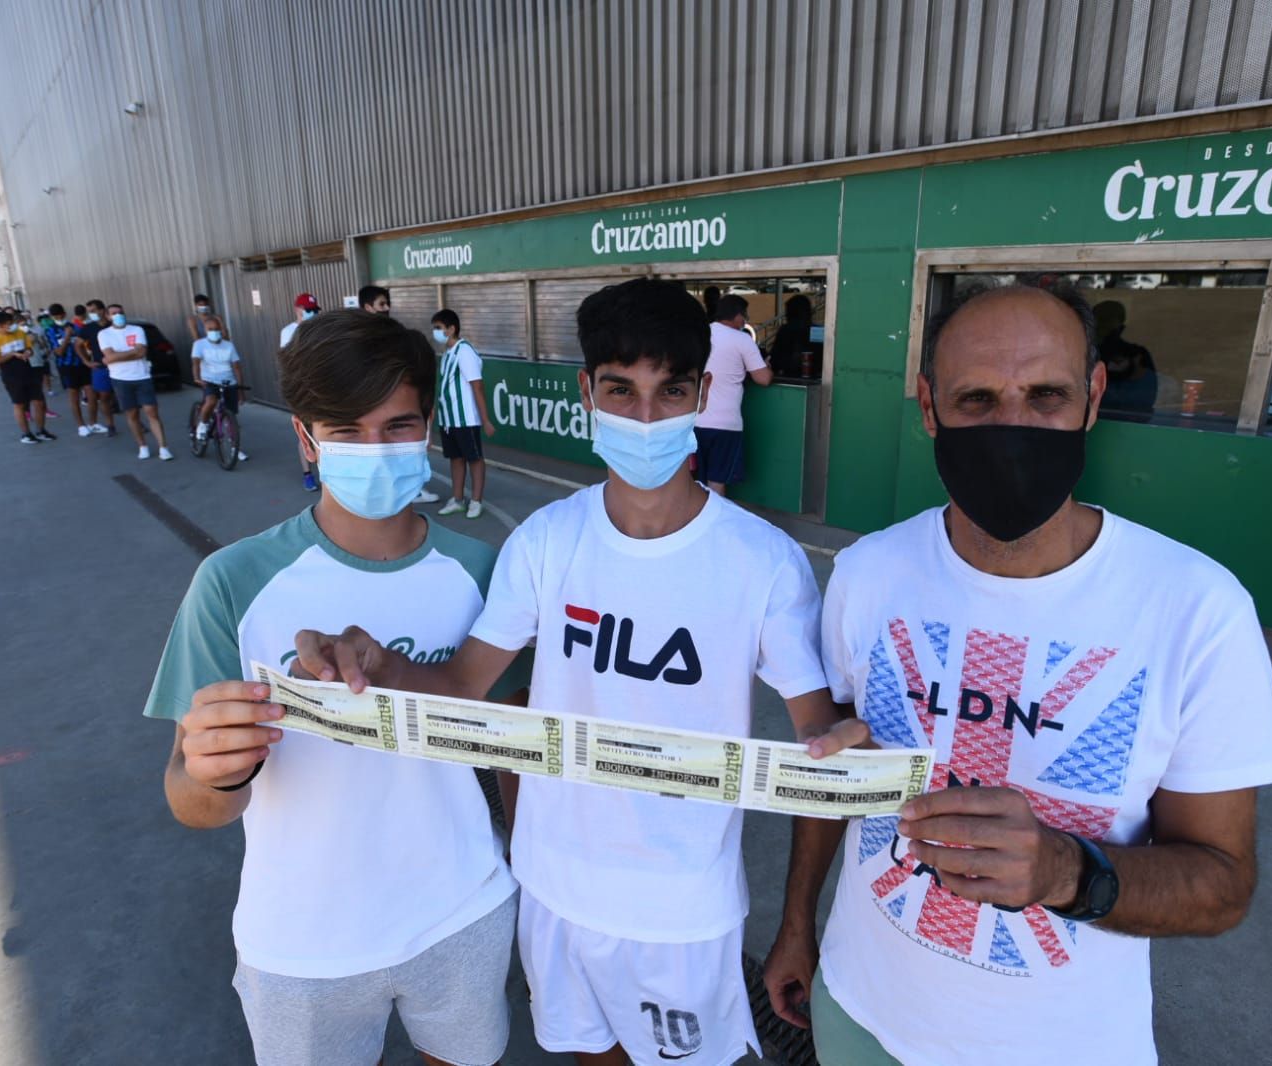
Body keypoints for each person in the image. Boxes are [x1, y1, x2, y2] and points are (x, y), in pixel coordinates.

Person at [293, 277, 870, 1066]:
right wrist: (379, 662)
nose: (643, 416)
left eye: (669, 391)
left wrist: (800, 913)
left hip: (680, 909)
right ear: (586, 393)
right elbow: (465, 685)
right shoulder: (544, 542)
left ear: (702, 392)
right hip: (552, 888)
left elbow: (815, 742)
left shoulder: (761, 561)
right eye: (618, 390)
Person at [761, 281, 1272, 1066]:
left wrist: (1066, 871)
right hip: (857, 1010)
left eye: (1044, 395)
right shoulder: (868, 573)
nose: (1011, 427)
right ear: (928, 406)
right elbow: (834, 771)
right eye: (976, 399)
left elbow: (1221, 885)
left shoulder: (1194, 609)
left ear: (1093, 396)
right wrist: (797, 924)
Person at [144, 309, 527, 1066]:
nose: (375, 449)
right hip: (300, 945)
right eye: (345, 429)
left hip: (465, 909)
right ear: (305, 438)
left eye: (397, 426)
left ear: (427, 431)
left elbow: (514, 745)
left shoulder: (486, 573)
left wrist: (531, 867)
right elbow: (192, 802)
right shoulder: (234, 582)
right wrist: (214, 772)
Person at [359, 284, 437, 503]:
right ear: (367, 307)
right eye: (381, 304)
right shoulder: (359, 341)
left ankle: (413, 490)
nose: (387, 308)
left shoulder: (396, 336)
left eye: (388, 303)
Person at [694, 293, 771, 495]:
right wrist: (768, 366)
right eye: (744, 315)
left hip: (694, 421)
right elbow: (763, 379)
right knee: (717, 481)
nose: (744, 320)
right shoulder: (742, 339)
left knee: (696, 481)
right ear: (737, 316)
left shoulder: (700, 335)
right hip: (724, 425)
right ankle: (715, 525)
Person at [431, 309, 494, 520]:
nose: (436, 332)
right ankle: (457, 499)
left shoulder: (464, 351)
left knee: (474, 459)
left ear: (451, 329)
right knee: (455, 459)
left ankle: (476, 501)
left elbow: (477, 387)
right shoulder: (448, 353)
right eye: (435, 328)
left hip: (466, 418)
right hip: (450, 419)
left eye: (439, 328)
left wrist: (485, 420)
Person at [99, 303, 172, 460]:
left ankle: (163, 447)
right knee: (132, 414)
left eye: (120, 312)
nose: (118, 315)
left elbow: (141, 352)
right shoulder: (104, 334)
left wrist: (115, 356)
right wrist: (131, 352)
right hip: (120, 379)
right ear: (107, 316)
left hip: (142, 376)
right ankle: (142, 446)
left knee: (152, 412)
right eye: (113, 313)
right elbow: (110, 356)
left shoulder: (137, 330)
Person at [0, 311, 55, 443]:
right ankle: (26, 434)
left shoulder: (20, 333)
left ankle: (41, 431)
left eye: (11, 323)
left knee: (38, 402)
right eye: (7, 324)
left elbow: (30, 349)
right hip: (11, 376)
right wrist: (12, 354)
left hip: (28, 371)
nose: (11, 326)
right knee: (19, 404)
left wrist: (27, 352)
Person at [191, 314, 248, 462]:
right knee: (210, 401)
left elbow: (237, 367)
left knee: (231, 417)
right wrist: (197, 377)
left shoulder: (228, 345)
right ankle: (202, 425)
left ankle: (235, 447)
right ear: (205, 329)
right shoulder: (199, 344)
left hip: (228, 381)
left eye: (217, 329)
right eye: (211, 329)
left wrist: (240, 389)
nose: (214, 332)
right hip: (209, 380)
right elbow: (196, 363)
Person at [281, 293, 321, 490]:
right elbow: (288, 362)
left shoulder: (322, 329)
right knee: (305, 432)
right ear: (298, 310)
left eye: (315, 310)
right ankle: (307, 474)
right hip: (302, 390)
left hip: (322, 388)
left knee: (323, 431)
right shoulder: (289, 332)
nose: (313, 313)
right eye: (309, 310)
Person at [1093, 300, 1158, 417]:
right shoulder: (1082, 353)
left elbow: (1143, 400)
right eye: (1100, 320)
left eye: (1107, 319)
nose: (1102, 325)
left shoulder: (1136, 355)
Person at [46, 303, 93, 436]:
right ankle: (81, 425)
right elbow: (58, 352)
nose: (59, 317)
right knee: (74, 395)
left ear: (64, 314)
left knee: (91, 394)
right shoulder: (51, 330)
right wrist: (67, 337)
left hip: (82, 363)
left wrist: (87, 353)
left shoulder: (76, 327)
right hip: (66, 366)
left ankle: (92, 422)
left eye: (60, 315)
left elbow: (85, 345)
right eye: (55, 316)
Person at [74, 299, 115, 436]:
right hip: (101, 367)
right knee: (104, 397)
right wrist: (87, 361)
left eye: (93, 311)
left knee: (125, 395)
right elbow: (78, 345)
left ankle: (137, 422)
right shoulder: (88, 328)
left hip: (120, 366)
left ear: (102, 310)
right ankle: (110, 424)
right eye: (89, 312)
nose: (91, 314)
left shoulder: (113, 325)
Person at [768, 293, 819, 378]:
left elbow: (775, 358)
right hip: (815, 375)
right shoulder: (817, 330)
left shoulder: (786, 330)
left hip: (789, 375)